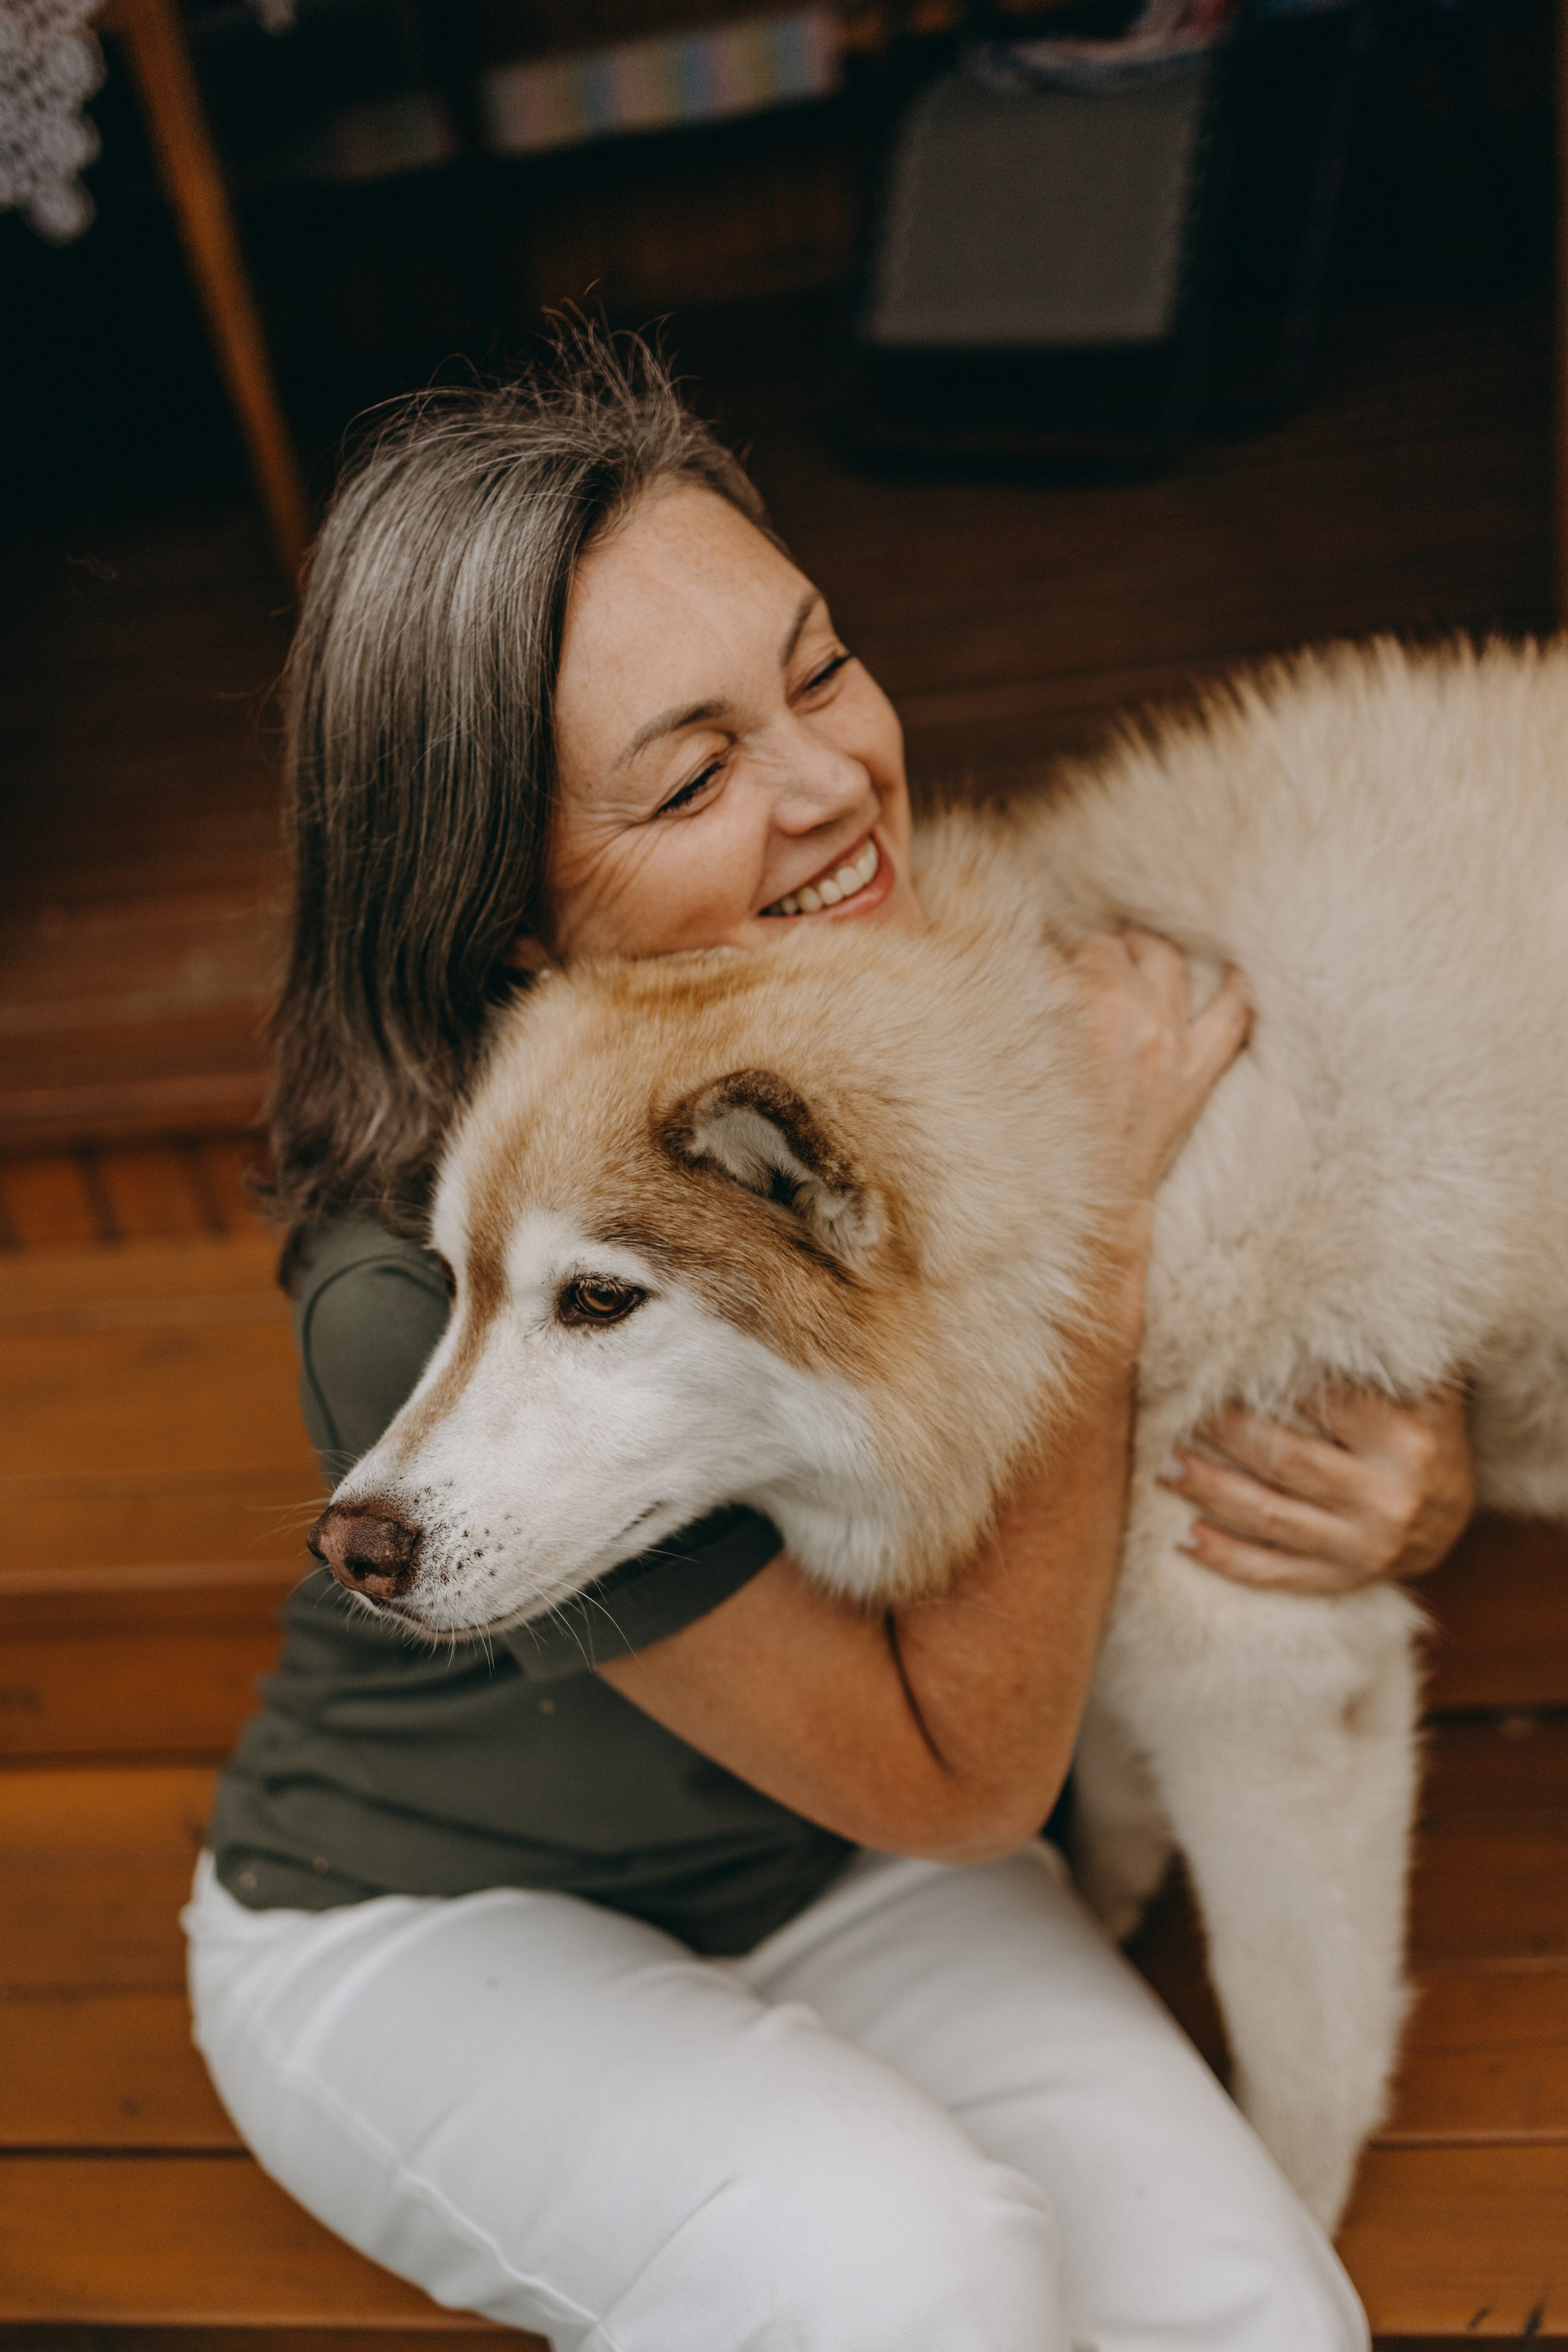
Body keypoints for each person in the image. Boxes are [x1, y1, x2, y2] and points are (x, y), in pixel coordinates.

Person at [185, 334, 1476, 2352]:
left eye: (821, 668)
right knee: (905, 2270)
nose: (830, 789)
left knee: (1256, 2320)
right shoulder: (418, 1282)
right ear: (508, 905)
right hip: (451, 1917)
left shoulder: (921, 991)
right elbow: (951, 1773)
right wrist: (1104, 1237)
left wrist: (1416, 1457)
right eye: (691, 774)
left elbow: (1316, 1300)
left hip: (852, 1877)